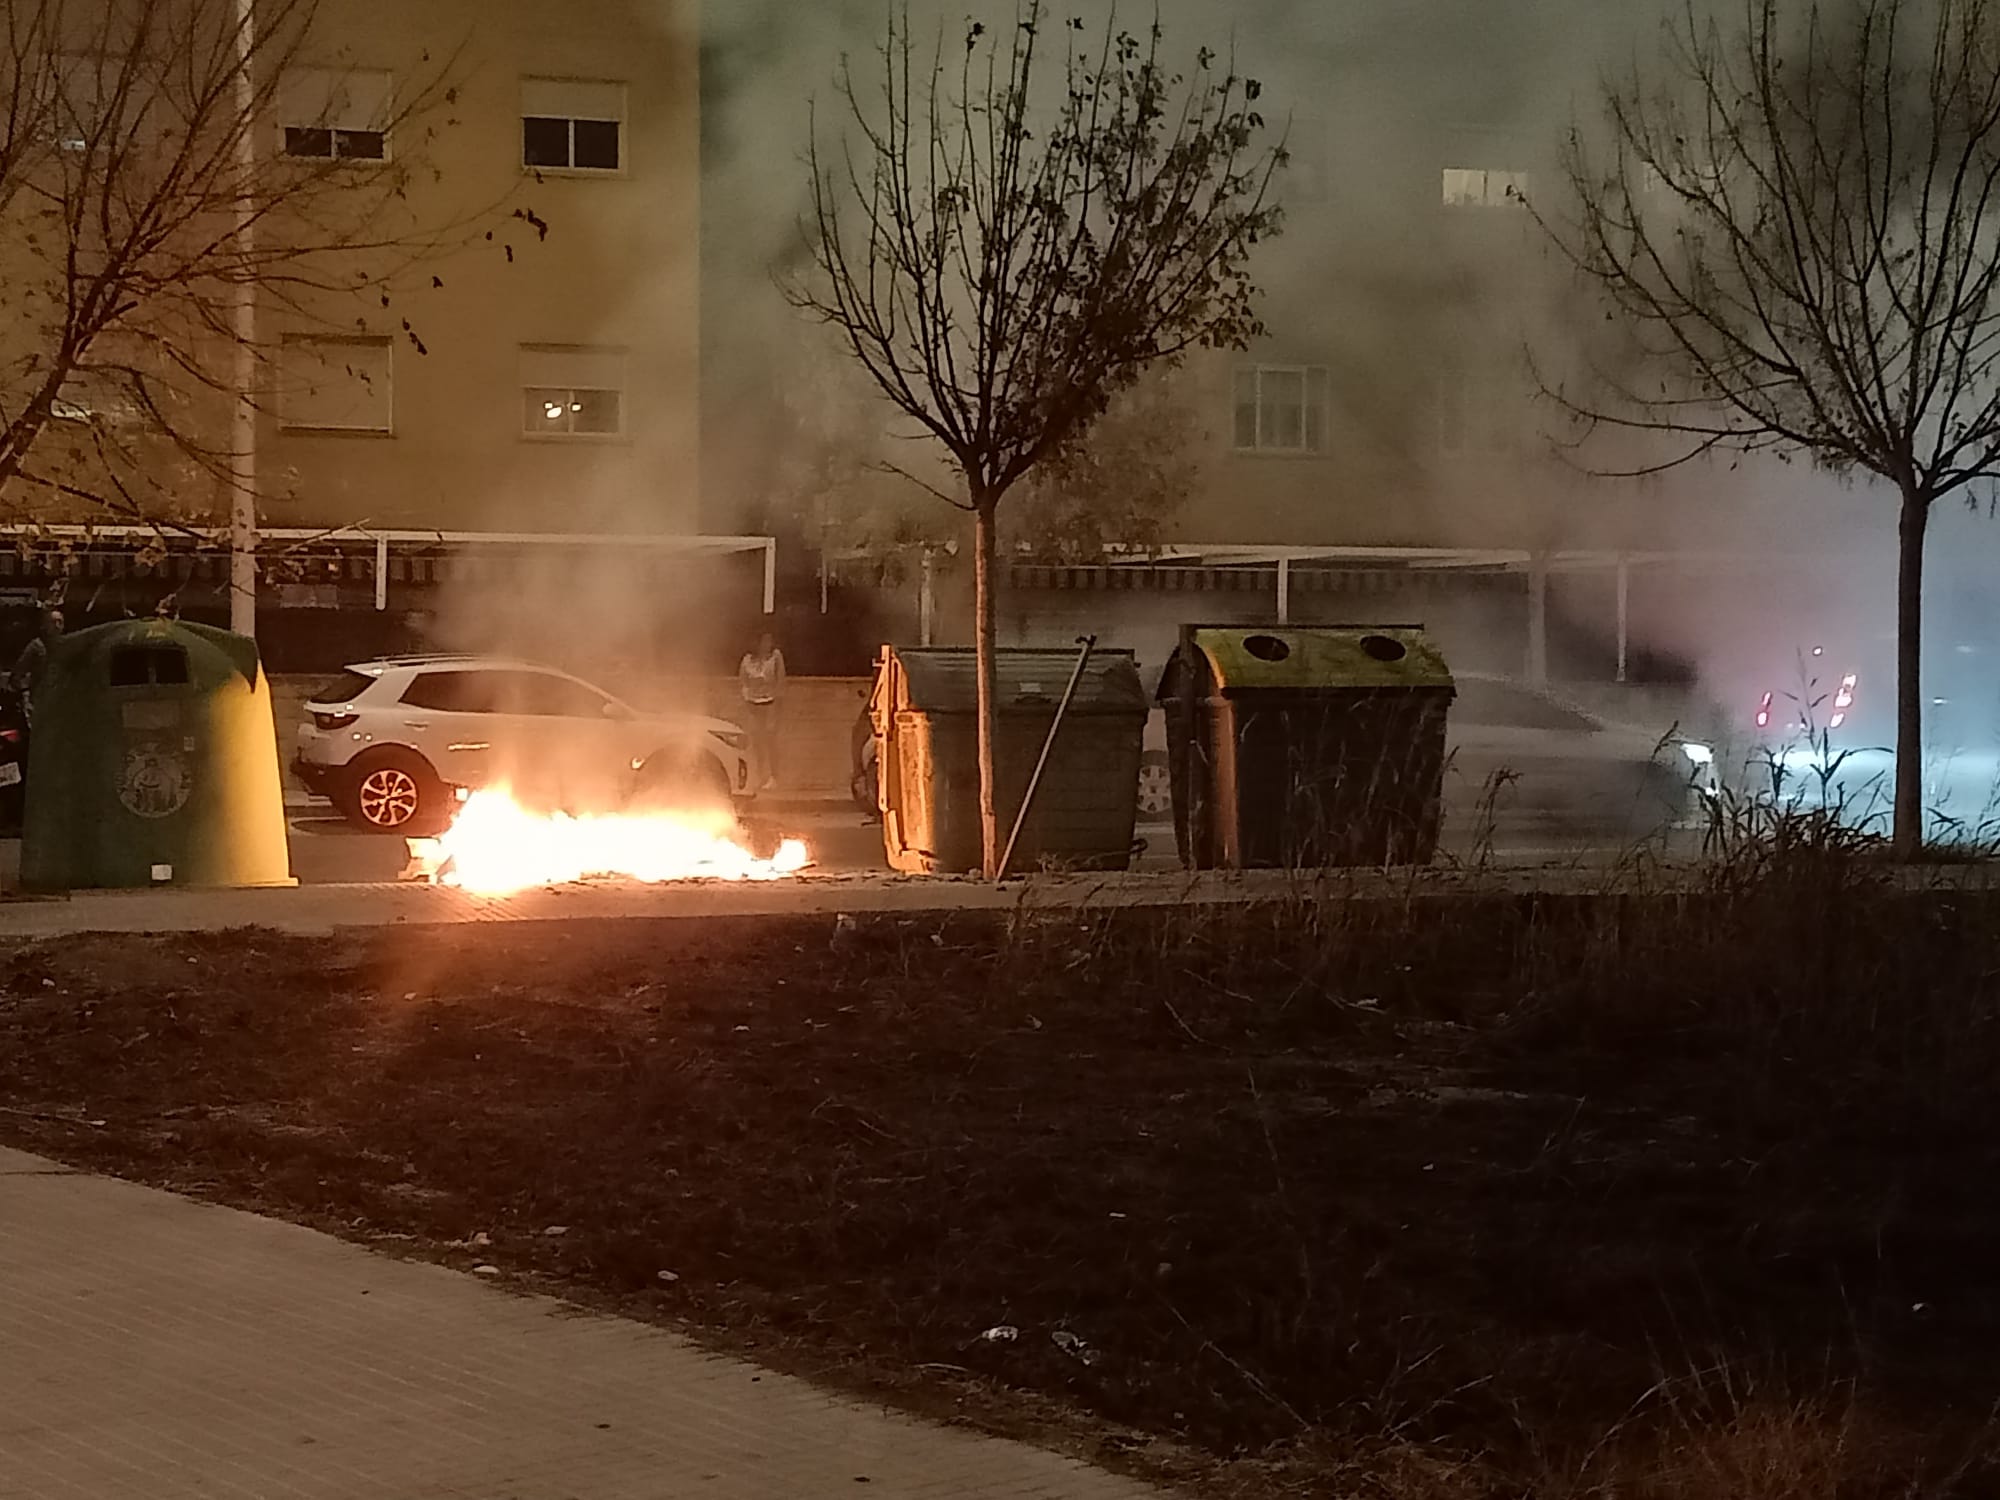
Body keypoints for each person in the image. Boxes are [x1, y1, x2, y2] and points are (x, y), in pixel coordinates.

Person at [737, 630, 786, 792]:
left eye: (769, 640)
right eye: (764, 640)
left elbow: (780, 681)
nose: (768, 644)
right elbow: (743, 681)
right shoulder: (747, 660)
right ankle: (760, 775)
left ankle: (775, 776)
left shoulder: (775, 657)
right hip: (753, 703)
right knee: (756, 740)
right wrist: (746, 699)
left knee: (771, 739)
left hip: (770, 702)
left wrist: (777, 705)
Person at [11, 608, 63, 727]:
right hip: (38, 703)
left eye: (60, 622)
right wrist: (25, 694)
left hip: (59, 703)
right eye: (53, 622)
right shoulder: (36, 647)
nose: (57, 626)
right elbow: (17, 674)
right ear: (45, 625)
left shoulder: (66, 646)